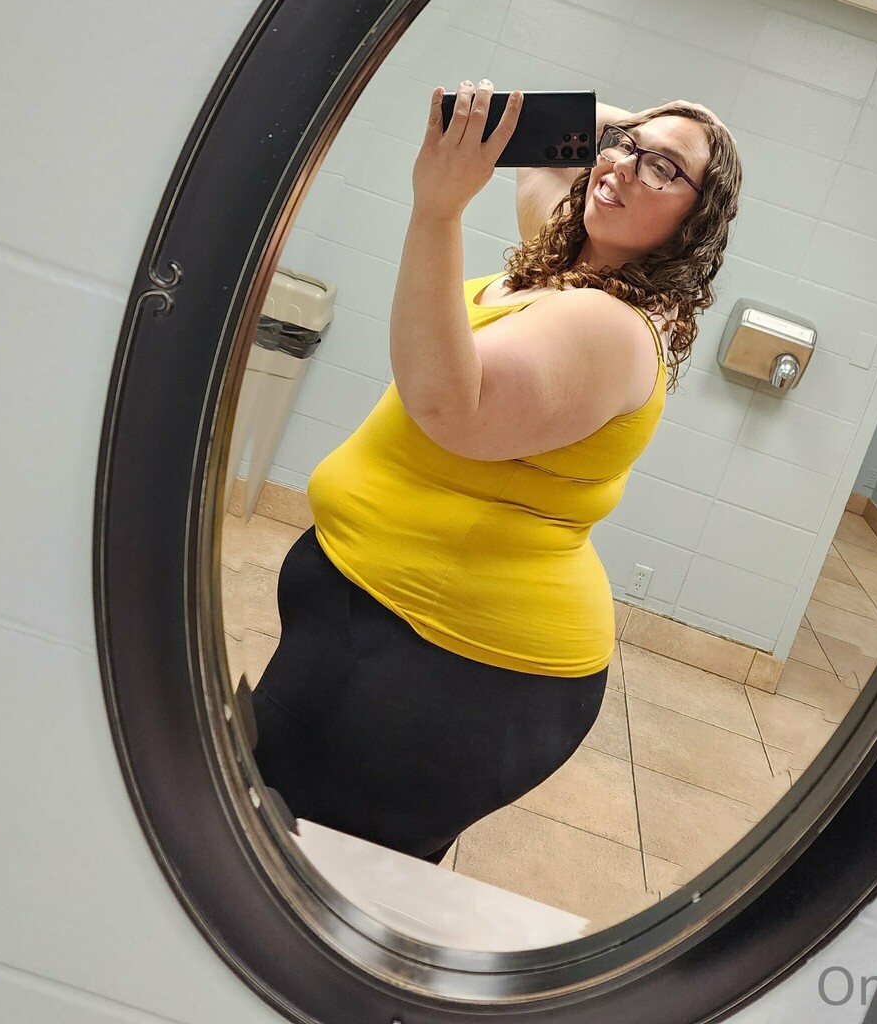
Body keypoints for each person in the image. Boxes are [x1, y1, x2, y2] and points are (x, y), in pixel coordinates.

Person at [249, 77, 743, 865]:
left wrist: (437, 210)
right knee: (281, 846)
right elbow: (532, 129)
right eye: (622, 147)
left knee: (301, 873)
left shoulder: (608, 324)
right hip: (392, 625)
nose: (621, 165)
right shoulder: (573, 263)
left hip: (455, 663)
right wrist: (669, 130)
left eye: (663, 171)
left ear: (697, 222)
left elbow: (452, 408)